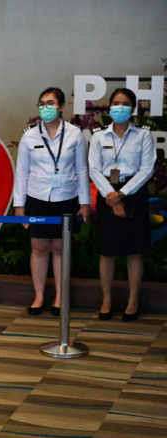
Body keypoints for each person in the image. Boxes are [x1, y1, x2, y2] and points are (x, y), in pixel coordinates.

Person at [14, 87, 91, 316]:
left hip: (66, 198)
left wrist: (85, 203)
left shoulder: (75, 134)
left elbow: (82, 169)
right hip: (37, 198)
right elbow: (22, 172)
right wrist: (19, 206)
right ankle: (38, 296)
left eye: (50, 103)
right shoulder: (29, 135)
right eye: (42, 103)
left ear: (61, 107)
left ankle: (59, 297)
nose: (45, 108)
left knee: (60, 248)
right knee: (39, 247)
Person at [89, 87, 155, 321]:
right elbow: (94, 169)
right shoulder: (99, 136)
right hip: (107, 192)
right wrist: (111, 195)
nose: (120, 108)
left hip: (134, 193)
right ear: (109, 106)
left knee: (133, 250)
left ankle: (133, 299)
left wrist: (122, 194)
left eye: (125, 103)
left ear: (133, 108)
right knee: (107, 250)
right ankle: (106, 298)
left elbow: (146, 170)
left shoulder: (143, 135)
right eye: (116, 103)